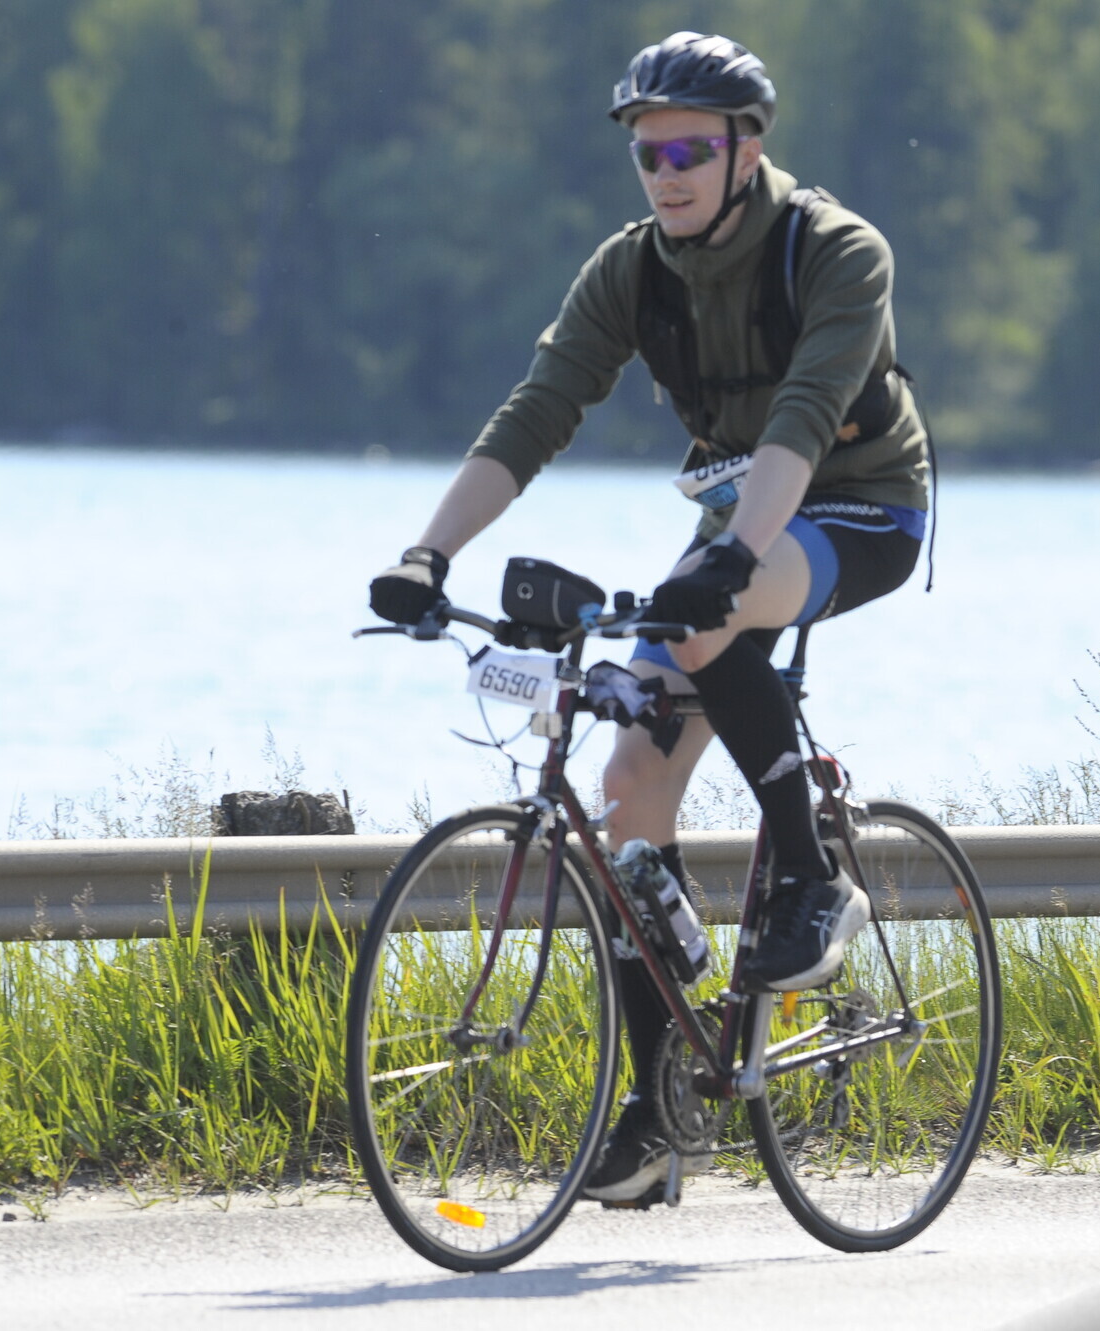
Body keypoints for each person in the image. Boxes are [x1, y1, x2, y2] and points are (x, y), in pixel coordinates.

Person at [367, 31, 930, 1205]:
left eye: (688, 151)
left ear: (744, 150)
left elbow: (804, 416)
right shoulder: (631, 270)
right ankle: (658, 1110)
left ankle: (814, 878)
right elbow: (537, 409)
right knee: (626, 790)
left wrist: (729, 558)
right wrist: (428, 551)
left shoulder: (836, 251)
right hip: (737, 517)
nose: (665, 174)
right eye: (646, 154)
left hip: (858, 507)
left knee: (706, 623)